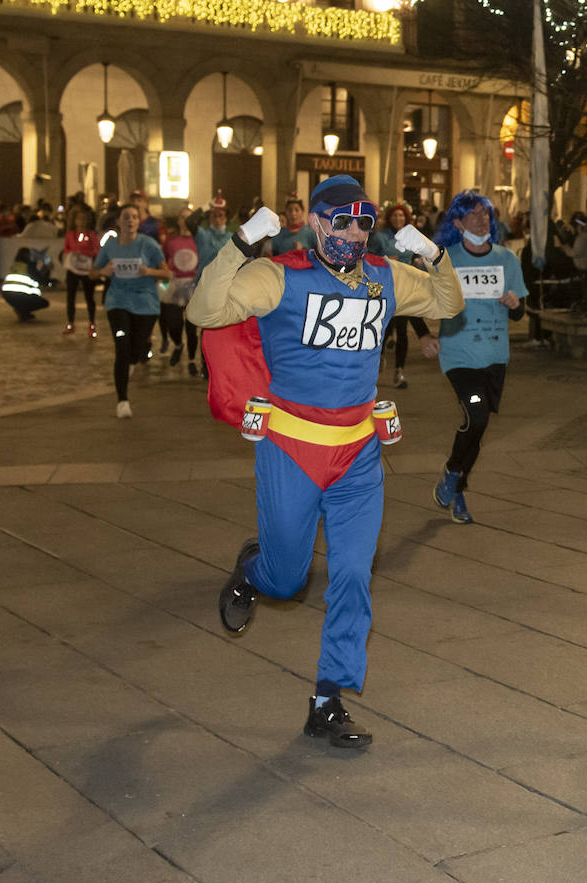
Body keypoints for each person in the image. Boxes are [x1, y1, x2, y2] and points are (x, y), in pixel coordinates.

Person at [187, 175, 464, 749]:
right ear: (316, 222)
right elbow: (204, 312)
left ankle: (327, 699)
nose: (355, 232)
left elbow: (447, 303)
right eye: (342, 221)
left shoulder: (384, 278)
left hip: (359, 453)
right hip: (291, 447)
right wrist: (240, 243)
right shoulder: (278, 275)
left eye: (364, 222)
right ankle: (253, 570)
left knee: (353, 575)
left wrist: (434, 253)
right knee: (287, 580)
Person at [429, 190, 528, 523]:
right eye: (473, 214)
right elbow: (422, 300)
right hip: (458, 355)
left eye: (486, 214)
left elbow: (519, 313)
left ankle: (454, 483)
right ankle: (454, 478)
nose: (481, 220)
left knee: (477, 425)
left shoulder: (506, 259)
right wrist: (426, 335)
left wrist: (516, 305)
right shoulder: (447, 260)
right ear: (457, 222)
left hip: (495, 355)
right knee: (477, 416)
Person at [91, 203, 171, 418]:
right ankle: (122, 401)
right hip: (118, 301)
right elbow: (92, 273)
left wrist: (149, 271)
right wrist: (103, 271)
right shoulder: (110, 246)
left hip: (145, 304)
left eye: (134, 217)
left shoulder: (149, 245)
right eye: (126, 216)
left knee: (137, 349)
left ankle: (135, 359)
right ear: (118, 221)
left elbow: (167, 274)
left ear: (139, 221)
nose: (130, 220)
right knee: (121, 346)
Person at [370, 203, 433, 388]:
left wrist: (419, 262)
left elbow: (418, 255)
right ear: (389, 218)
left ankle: (399, 371)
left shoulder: (410, 237)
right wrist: (384, 261)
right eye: (395, 216)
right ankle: (379, 355)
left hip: (406, 288)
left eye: (402, 216)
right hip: (385, 288)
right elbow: (367, 258)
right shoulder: (380, 237)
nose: (398, 219)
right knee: (383, 327)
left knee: (403, 330)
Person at [161, 214, 202, 371]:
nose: (185, 220)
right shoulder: (171, 240)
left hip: (194, 286)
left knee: (192, 327)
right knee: (173, 323)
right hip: (175, 285)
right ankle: (178, 345)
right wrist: (165, 276)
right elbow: (162, 259)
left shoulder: (199, 238)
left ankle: (192, 360)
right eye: (182, 217)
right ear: (178, 220)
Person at [62, 208, 100, 337]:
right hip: (73, 269)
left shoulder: (92, 235)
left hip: (87, 269)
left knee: (89, 297)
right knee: (70, 296)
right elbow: (66, 250)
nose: (81, 222)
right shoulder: (70, 234)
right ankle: (70, 322)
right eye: (79, 219)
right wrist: (73, 252)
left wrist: (84, 253)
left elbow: (96, 251)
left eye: (84, 219)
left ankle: (92, 323)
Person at [0, 247, 53, 321]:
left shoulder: (16, 265)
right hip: (22, 295)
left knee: (24, 299)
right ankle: (23, 311)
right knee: (44, 303)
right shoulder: (29, 266)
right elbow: (42, 281)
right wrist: (47, 269)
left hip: (7, 295)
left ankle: (21, 311)